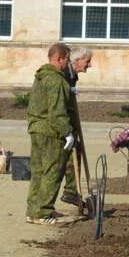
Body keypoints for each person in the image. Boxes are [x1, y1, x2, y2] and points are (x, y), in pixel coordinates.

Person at [25, 44, 79, 226]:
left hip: (36, 128)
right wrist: (68, 133)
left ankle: (33, 210)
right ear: (60, 58)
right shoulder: (56, 81)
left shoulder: (41, 77)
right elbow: (57, 112)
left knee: (39, 172)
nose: (68, 63)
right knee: (53, 172)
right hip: (51, 132)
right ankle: (43, 212)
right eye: (67, 59)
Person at [60, 49, 94, 209]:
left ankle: (72, 191)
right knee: (66, 156)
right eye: (87, 61)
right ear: (77, 60)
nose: (90, 65)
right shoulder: (65, 74)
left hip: (68, 120)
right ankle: (70, 192)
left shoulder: (72, 75)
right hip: (60, 122)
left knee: (77, 150)